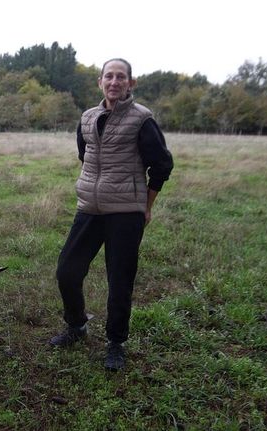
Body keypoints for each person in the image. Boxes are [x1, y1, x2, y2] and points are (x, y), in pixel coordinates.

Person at [49, 58, 174, 372]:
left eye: (121, 77)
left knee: (119, 281)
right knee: (67, 270)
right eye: (109, 76)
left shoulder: (142, 119)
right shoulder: (88, 117)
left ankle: (116, 343)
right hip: (89, 208)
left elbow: (162, 165)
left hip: (125, 213)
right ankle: (77, 326)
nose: (114, 81)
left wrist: (146, 205)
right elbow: (86, 154)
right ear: (100, 82)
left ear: (131, 83)